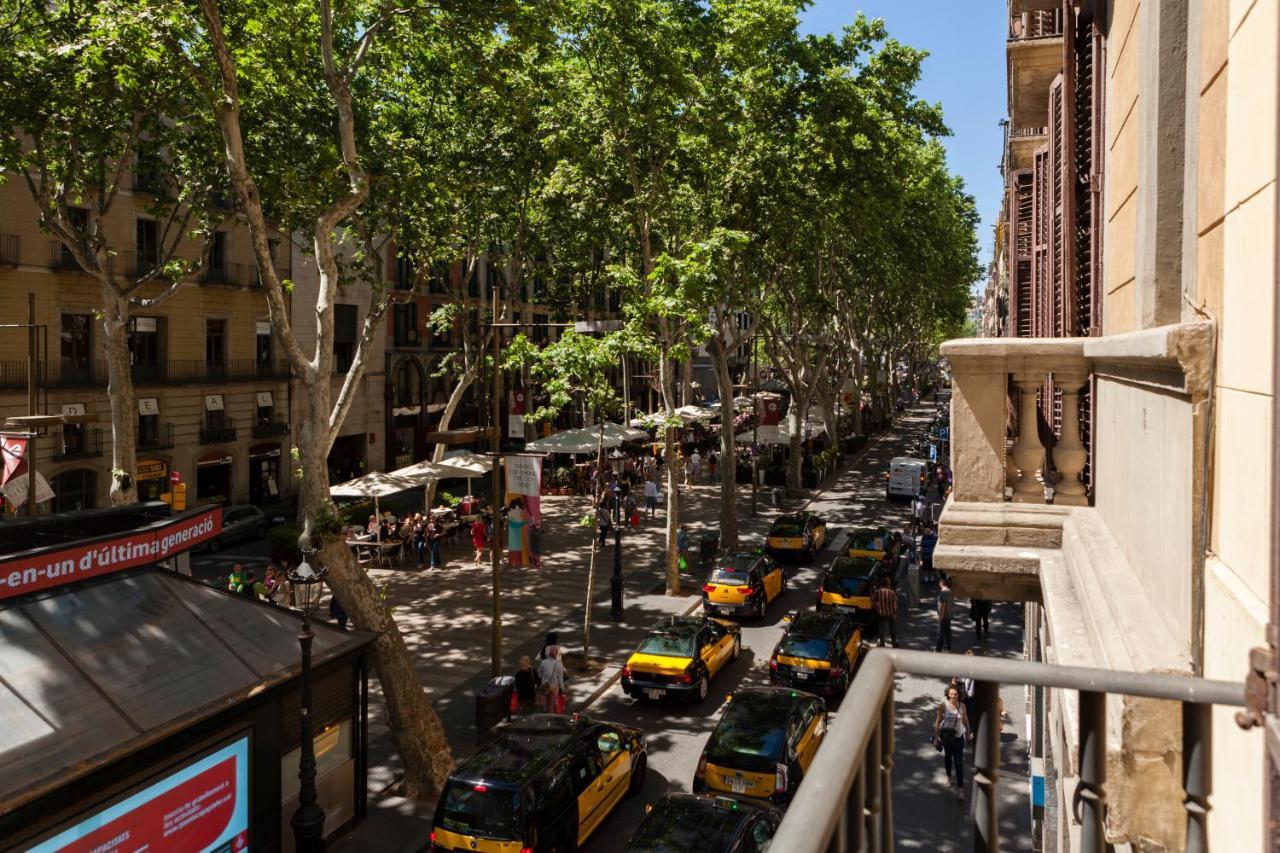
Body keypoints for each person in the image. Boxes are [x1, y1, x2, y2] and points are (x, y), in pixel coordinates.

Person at [934, 684, 971, 798]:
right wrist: (936, 738)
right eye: (951, 694)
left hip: (958, 737)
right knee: (948, 758)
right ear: (947, 695)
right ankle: (949, 778)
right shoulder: (943, 706)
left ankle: (960, 789)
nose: (953, 696)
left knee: (958, 762)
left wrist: (968, 732)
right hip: (947, 737)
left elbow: (965, 719)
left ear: (958, 695)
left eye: (955, 694)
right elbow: (938, 722)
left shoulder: (962, 706)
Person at [537, 645, 567, 713]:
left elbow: (539, 674)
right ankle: (549, 719)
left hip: (545, 685)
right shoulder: (559, 664)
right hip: (554, 686)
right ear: (556, 654)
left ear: (549, 653)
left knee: (545, 703)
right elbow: (560, 678)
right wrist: (562, 688)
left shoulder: (543, 662)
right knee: (551, 705)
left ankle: (544, 714)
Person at [872, 576, 898, 647]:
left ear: (881, 584)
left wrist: (877, 607)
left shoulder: (877, 592)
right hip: (891, 614)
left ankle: (882, 644)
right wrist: (895, 613)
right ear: (887, 584)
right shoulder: (892, 592)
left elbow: (872, 601)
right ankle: (894, 643)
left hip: (881, 614)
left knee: (881, 630)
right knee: (892, 629)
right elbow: (895, 604)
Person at [935, 574, 954, 652]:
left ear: (941, 583)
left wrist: (940, 617)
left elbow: (943, 606)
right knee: (947, 632)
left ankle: (938, 649)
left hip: (944, 616)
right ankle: (948, 647)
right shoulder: (950, 591)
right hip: (949, 615)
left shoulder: (943, 593)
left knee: (941, 633)